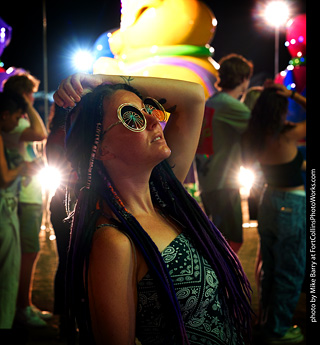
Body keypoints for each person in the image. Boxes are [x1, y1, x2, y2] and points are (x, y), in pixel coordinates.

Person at [53, 73, 252, 345]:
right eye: (131, 117)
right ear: (101, 150)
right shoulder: (114, 241)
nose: (153, 120)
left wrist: (100, 80)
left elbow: (193, 96)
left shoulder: (165, 197)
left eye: (147, 109)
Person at [242, 81, 306, 344]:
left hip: (268, 201)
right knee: (289, 269)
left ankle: (266, 322)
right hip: (290, 204)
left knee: (269, 267)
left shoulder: (256, 135)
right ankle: (278, 331)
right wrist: (292, 94)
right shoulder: (286, 134)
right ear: (281, 109)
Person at [2, 74, 50, 327]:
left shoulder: (16, 124)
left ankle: (22, 304)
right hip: (25, 196)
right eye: (30, 94)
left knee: (27, 251)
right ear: (23, 96)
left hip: (27, 194)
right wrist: (27, 106)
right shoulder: (15, 125)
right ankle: (23, 306)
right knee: (28, 252)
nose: (33, 99)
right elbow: (41, 133)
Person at [196, 54, 253, 253]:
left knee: (220, 239)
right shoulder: (232, 106)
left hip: (207, 181)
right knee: (231, 242)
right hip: (224, 183)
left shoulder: (211, 102)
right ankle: (223, 283)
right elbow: (262, 128)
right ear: (243, 79)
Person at [0, 91, 36, 330]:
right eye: (16, 117)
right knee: (7, 274)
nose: (16, 123)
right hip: (4, 211)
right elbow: (4, 177)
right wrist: (23, 166)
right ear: (5, 115)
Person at [46, 103, 74, 339]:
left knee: (65, 262)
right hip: (71, 203)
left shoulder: (54, 133)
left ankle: (65, 319)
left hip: (59, 203)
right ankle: (70, 319)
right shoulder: (69, 134)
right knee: (73, 262)